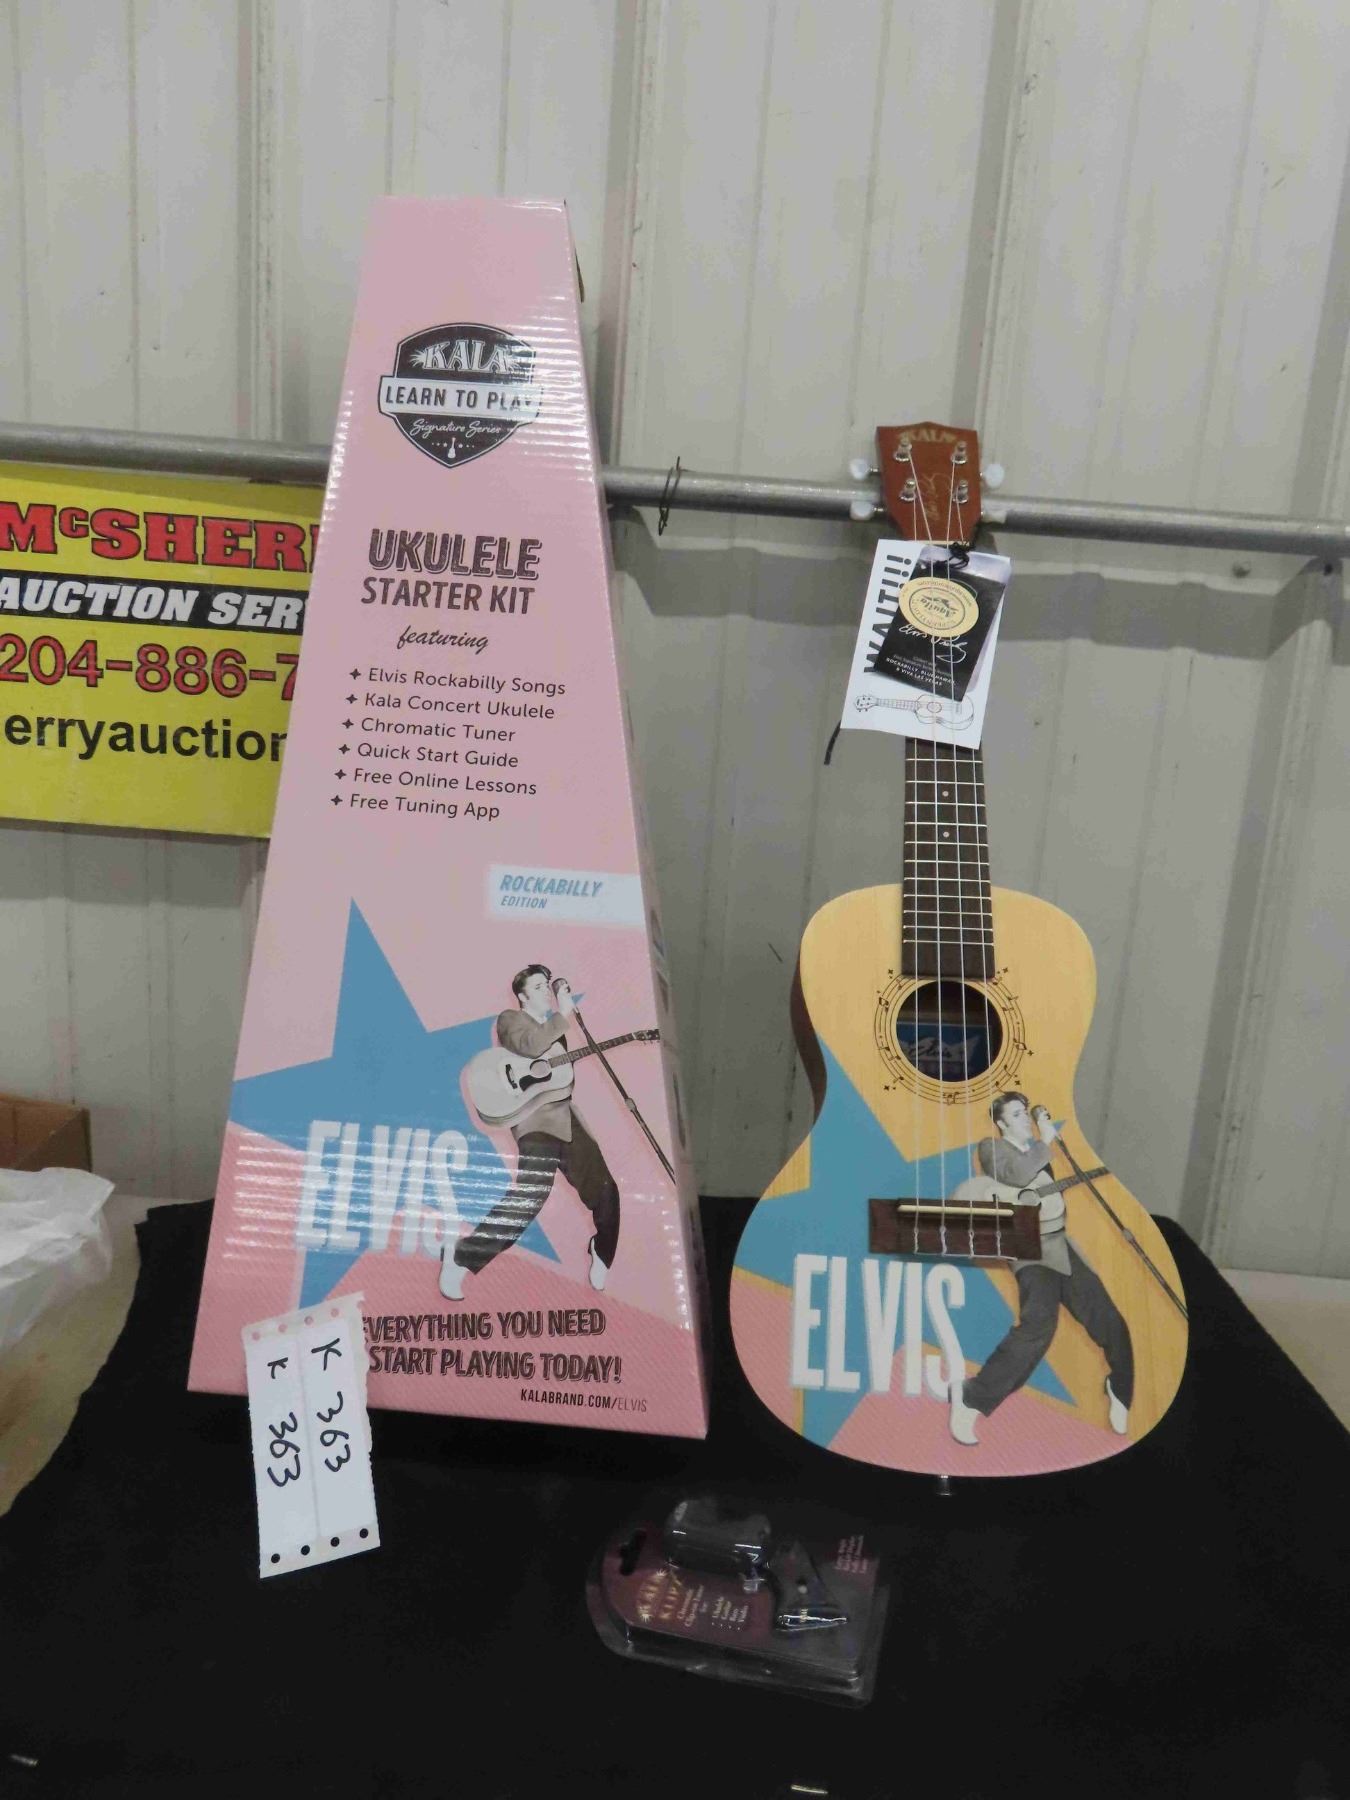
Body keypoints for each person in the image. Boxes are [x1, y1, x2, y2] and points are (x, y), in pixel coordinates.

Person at [948, 1091, 1133, 1446]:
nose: (1026, 1119)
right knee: (1038, 1327)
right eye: (1017, 1114)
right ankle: (971, 1399)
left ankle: (1121, 1391)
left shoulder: (1038, 1152)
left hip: (1061, 1245)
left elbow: (1048, 1200)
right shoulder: (992, 1148)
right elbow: (1017, 1176)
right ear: (1002, 1123)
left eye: (1025, 1113)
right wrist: (1045, 1142)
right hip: (1028, 1248)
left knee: (1109, 1319)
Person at [440, 964, 620, 1299]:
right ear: (522, 996)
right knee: (529, 1197)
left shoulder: (555, 1027)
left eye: (546, 986)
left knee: (607, 1190)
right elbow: (530, 1046)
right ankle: (461, 1258)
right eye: (538, 987)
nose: (546, 992)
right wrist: (563, 1014)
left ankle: (602, 1252)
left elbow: (557, 1075)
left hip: (567, 1118)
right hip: (534, 1122)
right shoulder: (510, 1019)